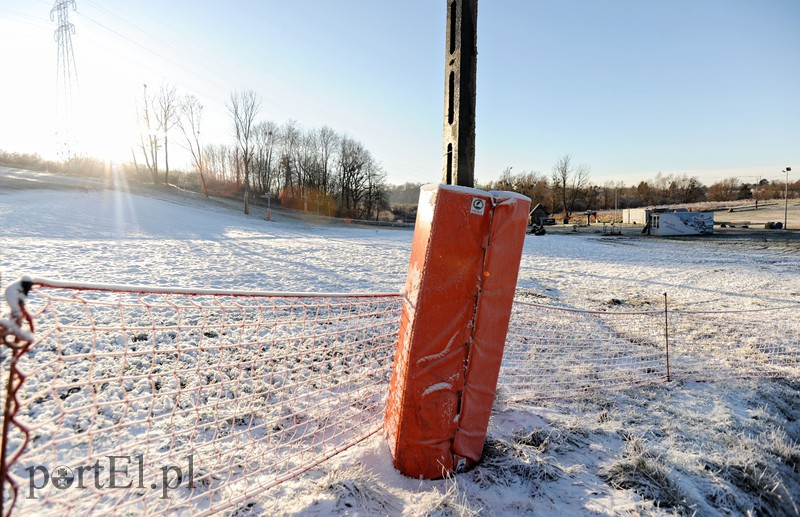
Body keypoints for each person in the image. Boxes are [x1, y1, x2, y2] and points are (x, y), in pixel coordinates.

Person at [1, 276, 35, 345]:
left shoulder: (15, 289)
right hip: (14, 299)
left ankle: (14, 338)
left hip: (14, 299)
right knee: (17, 318)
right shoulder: (13, 290)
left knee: (16, 317)